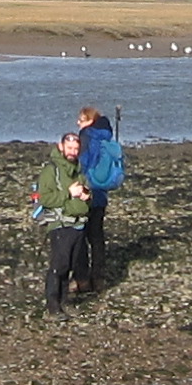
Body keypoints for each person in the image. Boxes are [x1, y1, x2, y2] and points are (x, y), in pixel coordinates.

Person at [30, 128, 94, 309]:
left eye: (75, 148)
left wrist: (87, 196)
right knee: (59, 266)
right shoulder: (51, 171)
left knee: (70, 266)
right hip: (60, 224)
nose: (73, 152)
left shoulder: (78, 170)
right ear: (61, 147)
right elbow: (45, 198)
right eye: (69, 148)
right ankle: (52, 306)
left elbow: (89, 194)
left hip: (78, 225)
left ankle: (64, 302)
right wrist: (68, 193)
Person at [70, 106, 123, 286]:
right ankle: (98, 276)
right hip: (101, 192)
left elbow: (84, 163)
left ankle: (82, 278)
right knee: (97, 237)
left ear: (90, 120)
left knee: (80, 236)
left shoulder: (87, 136)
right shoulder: (107, 135)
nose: (78, 123)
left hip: (87, 192)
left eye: (81, 119)